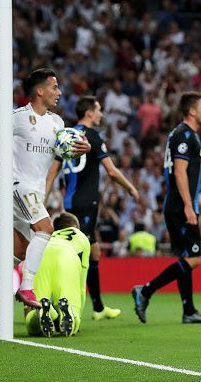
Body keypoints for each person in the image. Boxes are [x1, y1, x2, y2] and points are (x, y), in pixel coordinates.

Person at [0, 68, 90, 310]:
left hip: (34, 190)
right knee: (46, 229)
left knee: (20, 251)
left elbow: (63, 149)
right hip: (15, 184)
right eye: (54, 87)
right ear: (40, 91)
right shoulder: (18, 117)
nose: (59, 92)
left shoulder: (56, 122)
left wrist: (83, 148)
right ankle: (26, 287)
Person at [46, 96, 140, 320]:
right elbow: (112, 171)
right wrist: (131, 188)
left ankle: (98, 308)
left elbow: (51, 174)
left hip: (69, 202)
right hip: (87, 202)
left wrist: (44, 200)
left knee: (94, 251)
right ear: (89, 112)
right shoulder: (92, 136)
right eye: (98, 110)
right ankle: (64, 305)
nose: (101, 114)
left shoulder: (66, 136)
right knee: (78, 255)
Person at [132, 92, 201, 324]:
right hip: (181, 205)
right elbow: (180, 171)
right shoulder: (185, 135)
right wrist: (189, 206)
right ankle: (146, 291)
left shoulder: (183, 135)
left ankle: (188, 310)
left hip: (179, 204)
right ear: (191, 111)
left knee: (186, 256)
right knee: (194, 258)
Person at [24, 212, 90, 337]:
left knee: (33, 326)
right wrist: (78, 316)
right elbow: (82, 285)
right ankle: (67, 311)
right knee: (73, 322)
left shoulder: (49, 234)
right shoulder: (81, 237)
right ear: (75, 226)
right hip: (67, 255)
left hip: (41, 254)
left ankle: (47, 311)